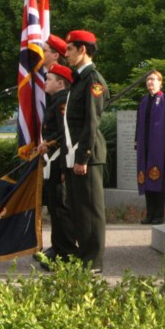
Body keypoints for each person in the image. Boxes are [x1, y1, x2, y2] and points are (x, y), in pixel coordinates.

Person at [62, 30, 110, 273]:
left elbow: (91, 123)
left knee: (90, 210)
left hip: (87, 158)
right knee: (79, 209)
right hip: (75, 156)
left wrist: (82, 157)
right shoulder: (79, 79)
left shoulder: (93, 80)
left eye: (70, 48)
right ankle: (84, 256)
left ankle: (94, 261)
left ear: (83, 50)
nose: (66, 52)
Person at [35, 63, 76, 263]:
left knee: (60, 208)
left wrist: (60, 164)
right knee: (54, 207)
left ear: (60, 83)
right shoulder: (55, 100)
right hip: (51, 157)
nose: (45, 82)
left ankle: (66, 251)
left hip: (58, 159)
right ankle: (58, 247)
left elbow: (64, 134)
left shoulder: (62, 102)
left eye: (49, 79)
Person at [135, 70, 165, 225]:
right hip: (144, 147)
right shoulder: (143, 101)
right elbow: (139, 124)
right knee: (146, 180)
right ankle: (150, 214)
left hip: (160, 149)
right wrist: (136, 142)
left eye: (153, 79)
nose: (150, 82)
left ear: (160, 82)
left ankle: (159, 215)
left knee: (158, 180)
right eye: (148, 80)